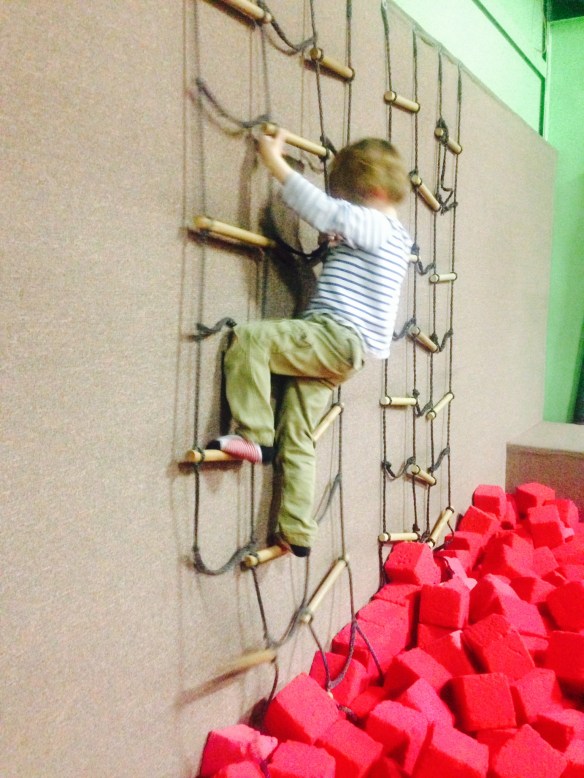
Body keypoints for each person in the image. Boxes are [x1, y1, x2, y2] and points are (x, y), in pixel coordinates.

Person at [209, 129, 412, 557]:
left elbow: (326, 212)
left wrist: (275, 163)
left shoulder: (373, 224)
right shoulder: (394, 236)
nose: (345, 211)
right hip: (348, 353)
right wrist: (334, 243)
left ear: (371, 193)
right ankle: (298, 530)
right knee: (298, 434)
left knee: (249, 340)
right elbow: (348, 242)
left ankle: (255, 435)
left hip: (334, 335)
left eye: (349, 201)